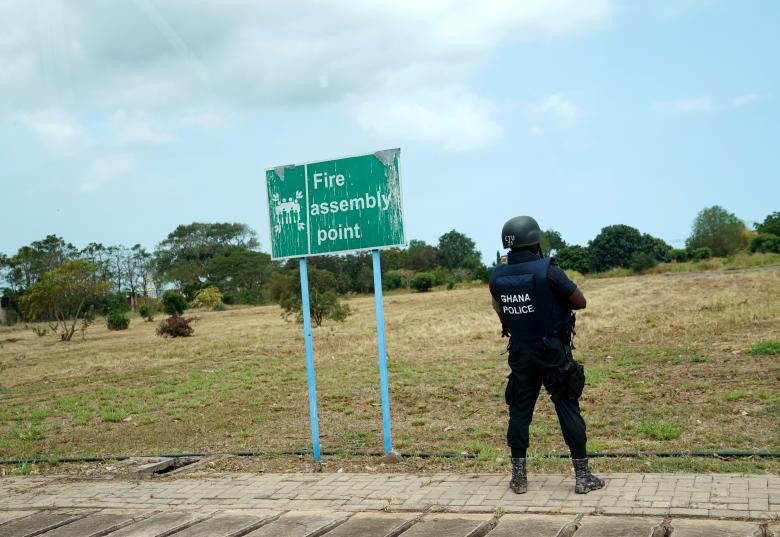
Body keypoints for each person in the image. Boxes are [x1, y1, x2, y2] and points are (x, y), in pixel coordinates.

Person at [488, 215, 604, 495]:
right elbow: (580, 302)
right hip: (552, 350)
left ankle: (518, 478)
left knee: (519, 410)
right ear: (534, 239)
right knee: (566, 404)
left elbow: (498, 309)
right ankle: (582, 477)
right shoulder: (548, 269)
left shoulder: (497, 275)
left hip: (520, 350)